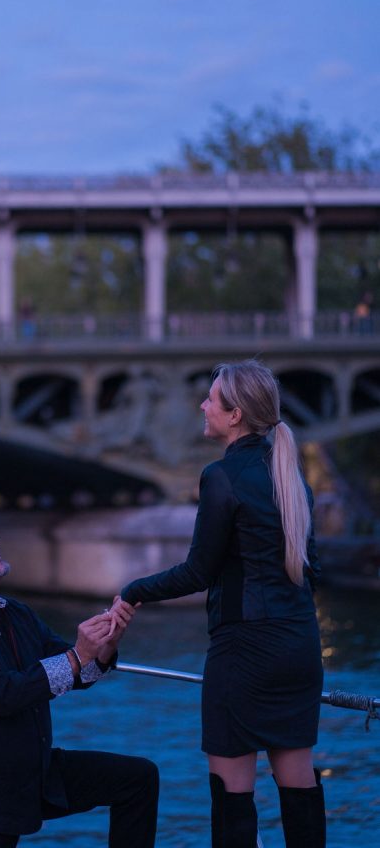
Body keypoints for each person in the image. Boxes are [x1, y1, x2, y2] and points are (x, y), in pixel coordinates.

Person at [120, 360, 325, 848]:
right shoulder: (294, 482)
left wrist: (133, 591)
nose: (203, 406)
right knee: (299, 787)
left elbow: (198, 572)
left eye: (211, 399)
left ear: (234, 416)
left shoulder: (221, 477)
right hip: (298, 650)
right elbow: (311, 570)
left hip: (243, 655)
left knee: (233, 799)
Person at [0, 512, 159, 848]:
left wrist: (105, 642)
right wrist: (77, 655)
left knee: (138, 779)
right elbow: (3, 695)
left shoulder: (16, 613)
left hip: (32, 773)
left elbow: (78, 673)